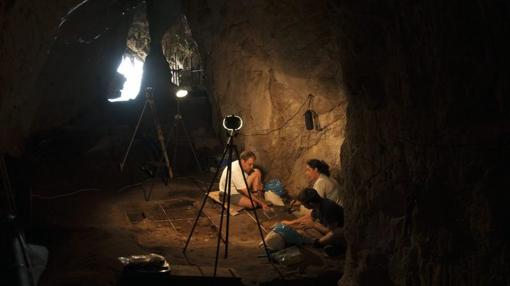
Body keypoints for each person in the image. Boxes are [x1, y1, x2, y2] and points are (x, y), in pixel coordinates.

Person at [282, 188, 345, 255]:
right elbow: (309, 217)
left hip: (341, 235)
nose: (303, 206)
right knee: (305, 227)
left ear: (311, 203)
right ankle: (326, 245)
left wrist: (314, 225)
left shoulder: (328, 207)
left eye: (304, 204)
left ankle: (320, 244)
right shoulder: (317, 206)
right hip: (327, 232)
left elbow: (330, 230)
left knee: (334, 233)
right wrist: (290, 225)